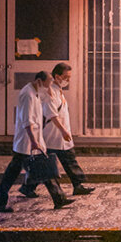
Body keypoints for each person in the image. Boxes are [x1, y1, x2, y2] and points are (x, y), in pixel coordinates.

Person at [0, 71, 70, 211]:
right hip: (26, 142)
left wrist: (50, 94)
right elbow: (27, 120)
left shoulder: (35, 91)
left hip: (33, 140)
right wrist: (34, 141)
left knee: (45, 168)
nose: (48, 88)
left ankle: (60, 199)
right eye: (47, 85)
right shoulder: (27, 95)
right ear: (39, 82)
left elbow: (44, 100)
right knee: (12, 173)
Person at [40, 62, 93, 195]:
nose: (68, 80)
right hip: (53, 134)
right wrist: (63, 130)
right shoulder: (50, 92)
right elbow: (52, 115)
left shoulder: (58, 90)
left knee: (69, 159)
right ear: (57, 76)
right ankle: (28, 187)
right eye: (66, 77)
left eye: (69, 77)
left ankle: (78, 185)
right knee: (46, 163)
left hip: (60, 135)